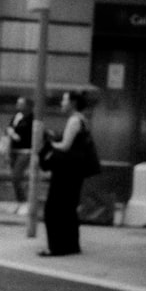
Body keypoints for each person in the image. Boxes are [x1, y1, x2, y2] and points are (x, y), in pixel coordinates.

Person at [40, 91, 91, 257]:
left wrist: (50, 144)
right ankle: (71, 245)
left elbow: (65, 146)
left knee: (54, 209)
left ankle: (56, 247)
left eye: (64, 100)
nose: (61, 103)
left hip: (65, 171)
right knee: (68, 208)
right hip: (75, 171)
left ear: (73, 103)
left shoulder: (74, 120)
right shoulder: (82, 119)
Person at [6, 96, 34, 214]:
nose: (18, 106)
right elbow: (9, 128)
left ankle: (24, 202)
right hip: (14, 150)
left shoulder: (32, 119)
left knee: (16, 177)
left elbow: (27, 134)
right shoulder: (17, 117)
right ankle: (19, 201)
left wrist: (14, 134)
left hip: (25, 150)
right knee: (14, 177)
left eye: (21, 104)